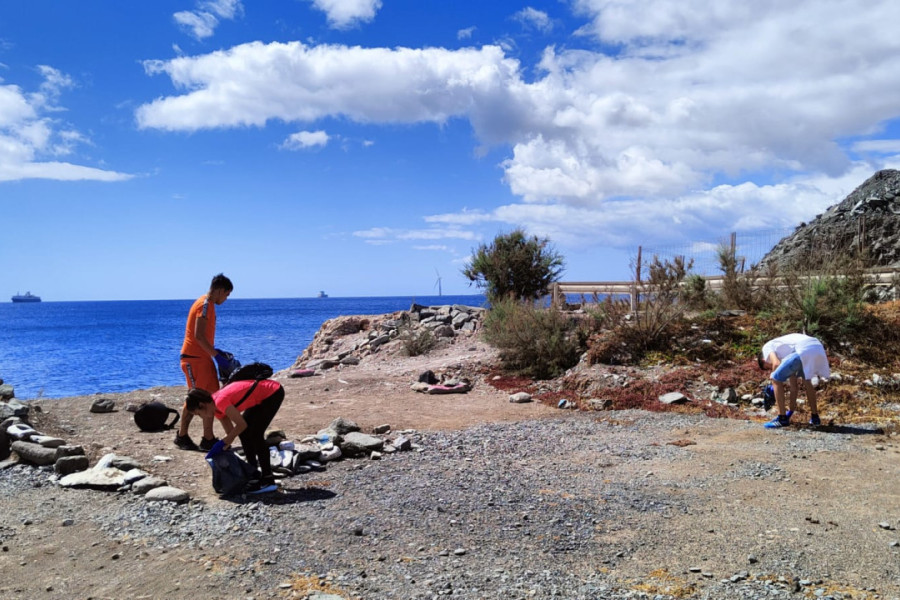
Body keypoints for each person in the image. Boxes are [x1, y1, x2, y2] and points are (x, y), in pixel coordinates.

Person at [184, 379, 285, 493]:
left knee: (255, 434)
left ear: (201, 405)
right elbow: (232, 432)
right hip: (262, 395)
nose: (201, 417)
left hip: (272, 392)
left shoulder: (220, 402)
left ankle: (268, 480)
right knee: (245, 433)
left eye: (198, 413)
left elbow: (241, 424)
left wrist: (227, 439)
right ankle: (253, 473)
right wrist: (222, 446)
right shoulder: (216, 410)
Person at [176, 273, 234, 451]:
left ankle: (206, 437)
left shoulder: (208, 305)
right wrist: (216, 356)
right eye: (226, 294)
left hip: (202, 358)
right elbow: (198, 336)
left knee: (212, 397)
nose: (225, 299)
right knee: (196, 399)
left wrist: (216, 354)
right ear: (219, 290)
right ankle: (183, 436)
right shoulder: (205, 305)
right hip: (194, 359)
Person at [757, 333, 830, 428]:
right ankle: (815, 417)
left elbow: (775, 363)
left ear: (763, 360)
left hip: (803, 348)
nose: (770, 368)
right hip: (817, 347)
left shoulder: (766, 347)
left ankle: (781, 419)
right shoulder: (787, 354)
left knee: (775, 379)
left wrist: (772, 384)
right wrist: (791, 411)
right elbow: (793, 387)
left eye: (767, 367)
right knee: (807, 381)